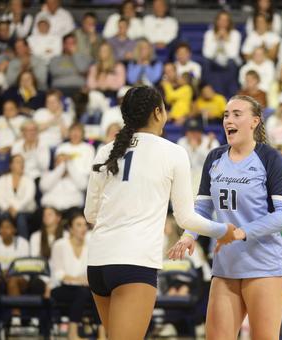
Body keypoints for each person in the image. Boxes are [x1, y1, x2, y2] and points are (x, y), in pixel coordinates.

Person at [84, 86, 238, 340]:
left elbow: (91, 214)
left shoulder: (106, 150)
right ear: (158, 112)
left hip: (98, 263)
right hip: (134, 262)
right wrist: (224, 230)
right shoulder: (173, 152)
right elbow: (185, 218)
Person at [169, 95, 282, 340]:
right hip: (225, 265)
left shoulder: (270, 158)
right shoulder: (214, 157)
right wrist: (188, 235)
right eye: (226, 114)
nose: (229, 119)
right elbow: (202, 208)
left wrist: (242, 231)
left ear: (255, 122)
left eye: (237, 114)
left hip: (265, 266)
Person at [50, 211, 106, 340]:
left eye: (84, 225)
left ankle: (102, 335)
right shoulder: (60, 245)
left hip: (84, 288)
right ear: (70, 228)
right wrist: (78, 280)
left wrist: (86, 280)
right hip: (61, 288)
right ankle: (72, 333)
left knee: (96, 292)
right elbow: (59, 274)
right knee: (82, 292)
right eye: (79, 225)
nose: (83, 228)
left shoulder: (90, 246)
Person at [0, 154, 36, 240]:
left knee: (20, 217)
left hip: (26, 211)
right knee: (5, 216)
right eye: (18, 162)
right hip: (6, 210)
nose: (21, 164)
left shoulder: (29, 180)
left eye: (22, 162)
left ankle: (24, 247)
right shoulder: (2, 180)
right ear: (11, 165)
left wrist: (16, 208)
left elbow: (28, 198)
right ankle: (5, 246)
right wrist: (9, 208)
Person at [202, 10, 241, 99]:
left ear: (229, 22)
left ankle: (231, 94)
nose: (223, 23)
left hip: (229, 63)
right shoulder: (209, 34)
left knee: (232, 63)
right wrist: (216, 39)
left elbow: (233, 55)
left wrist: (226, 40)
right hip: (214, 63)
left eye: (226, 20)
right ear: (217, 21)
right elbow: (207, 54)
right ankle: (209, 90)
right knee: (205, 62)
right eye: (221, 20)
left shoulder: (235, 34)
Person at [177, 118, 219, 196]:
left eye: (197, 131)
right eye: (191, 131)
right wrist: (194, 149)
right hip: (188, 178)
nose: (194, 134)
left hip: (207, 179)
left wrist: (198, 149)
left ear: (201, 132)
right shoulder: (182, 142)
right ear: (186, 132)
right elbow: (184, 164)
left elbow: (213, 164)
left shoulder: (211, 142)